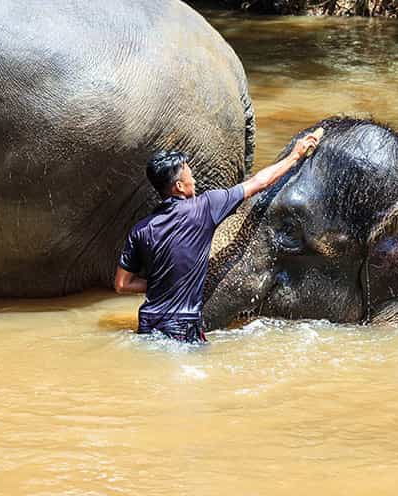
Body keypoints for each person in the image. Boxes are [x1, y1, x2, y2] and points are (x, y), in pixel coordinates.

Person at [114, 128, 324, 343]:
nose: (194, 181)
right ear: (179, 187)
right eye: (190, 176)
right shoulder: (205, 207)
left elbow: (122, 284)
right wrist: (295, 155)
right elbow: (259, 183)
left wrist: (161, 284)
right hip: (182, 325)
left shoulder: (140, 229)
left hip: (148, 323)